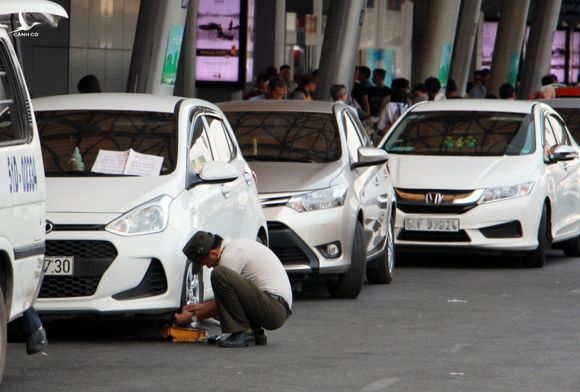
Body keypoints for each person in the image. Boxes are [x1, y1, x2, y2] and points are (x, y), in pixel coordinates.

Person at [176, 231, 292, 348]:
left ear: (212, 253)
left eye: (205, 263)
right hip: (274, 305)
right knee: (223, 283)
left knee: (219, 274)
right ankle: (253, 332)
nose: (208, 266)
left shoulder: (229, 257)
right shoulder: (234, 247)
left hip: (274, 310)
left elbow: (223, 304)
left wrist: (192, 318)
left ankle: (241, 332)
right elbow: (230, 298)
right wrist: (198, 307)